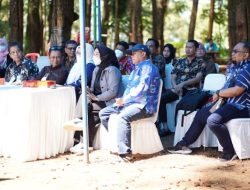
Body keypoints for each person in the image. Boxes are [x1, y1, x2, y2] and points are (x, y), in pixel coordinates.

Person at [168, 41, 250, 162]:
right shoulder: (234, 67)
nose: (232, 53)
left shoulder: (247, 68)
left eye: (236, 51)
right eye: (232, 51)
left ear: (246, 55)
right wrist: (218, 95)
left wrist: (218, 93)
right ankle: (183, 144)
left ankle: (229, 151)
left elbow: (237, 91)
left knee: (213, 120)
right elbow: (227, 87)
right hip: (227, 103)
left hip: (241, 106)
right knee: (202, 114)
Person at [99, 44, 161, 160]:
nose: (131, 56)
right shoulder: (136, 69)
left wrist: (124, 100)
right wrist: (122, 101)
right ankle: (115, 141)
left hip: (143, 106)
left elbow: (141, 89)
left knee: (122, 118)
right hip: (129, 104)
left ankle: (125, 152)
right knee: (103, 113)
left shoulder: (148, 68)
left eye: (134, 54)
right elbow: (129, 90)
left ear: (143, 54)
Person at [71, 45, 121, 152]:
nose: (95, 56)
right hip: (95, 100)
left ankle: (79, 133)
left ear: (104, 56)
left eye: (97, 54)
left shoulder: (113, 70)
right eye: (94, 54)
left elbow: (113, 92)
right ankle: (83, 141)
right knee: (85, 98)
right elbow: (93, 88)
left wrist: (96, 98)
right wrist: (89, 91)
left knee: (88, 109)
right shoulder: (96, 69)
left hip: (108, 102)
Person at [158, 40, 204, 134]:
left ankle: (182, 129)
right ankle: (165, 127)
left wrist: (183, 84)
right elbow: (173, 77)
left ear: (195, 49)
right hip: (177, 89)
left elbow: (198, 78)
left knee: (184, 103)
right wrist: (176, 87)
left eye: (190, 47)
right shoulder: (180, 61)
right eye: (186, 47)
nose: (188, 49)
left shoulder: (200, 62)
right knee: (161, 99)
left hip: (192, 90)